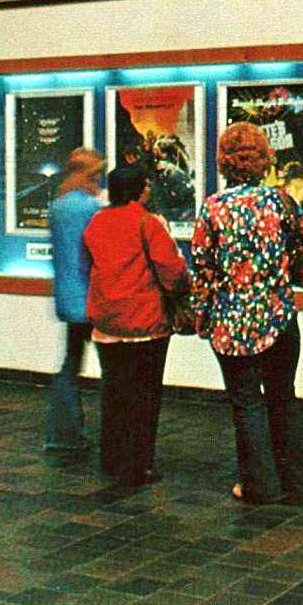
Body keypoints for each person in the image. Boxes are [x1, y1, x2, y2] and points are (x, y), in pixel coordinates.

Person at [191, 122, 303, 506]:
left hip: (231, 322)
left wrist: (199, 315)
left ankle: (259, 484)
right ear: (265, 159)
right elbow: (302, 246)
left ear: (224, 163)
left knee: (246, 403)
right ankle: (297, 482)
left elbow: (203, 267)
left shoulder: (213, 208)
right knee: (283, 396)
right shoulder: (280, 202)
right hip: (278, 315)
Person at [83, 165, 188, 489]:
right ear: (140, 189)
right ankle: (138, 465)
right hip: (144, 322)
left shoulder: (97, 222)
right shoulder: (148, 222)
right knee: (144, 396)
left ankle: (111, 458)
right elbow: (171, 269)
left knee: (114, 392)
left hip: (107, 321)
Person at [46, 147, 104, 453]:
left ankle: (63, 432)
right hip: (92, 297)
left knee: (70, 364)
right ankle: (115, 432)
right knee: (114, 368)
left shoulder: (58, 206)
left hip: (67, 298)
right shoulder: (91, 208)